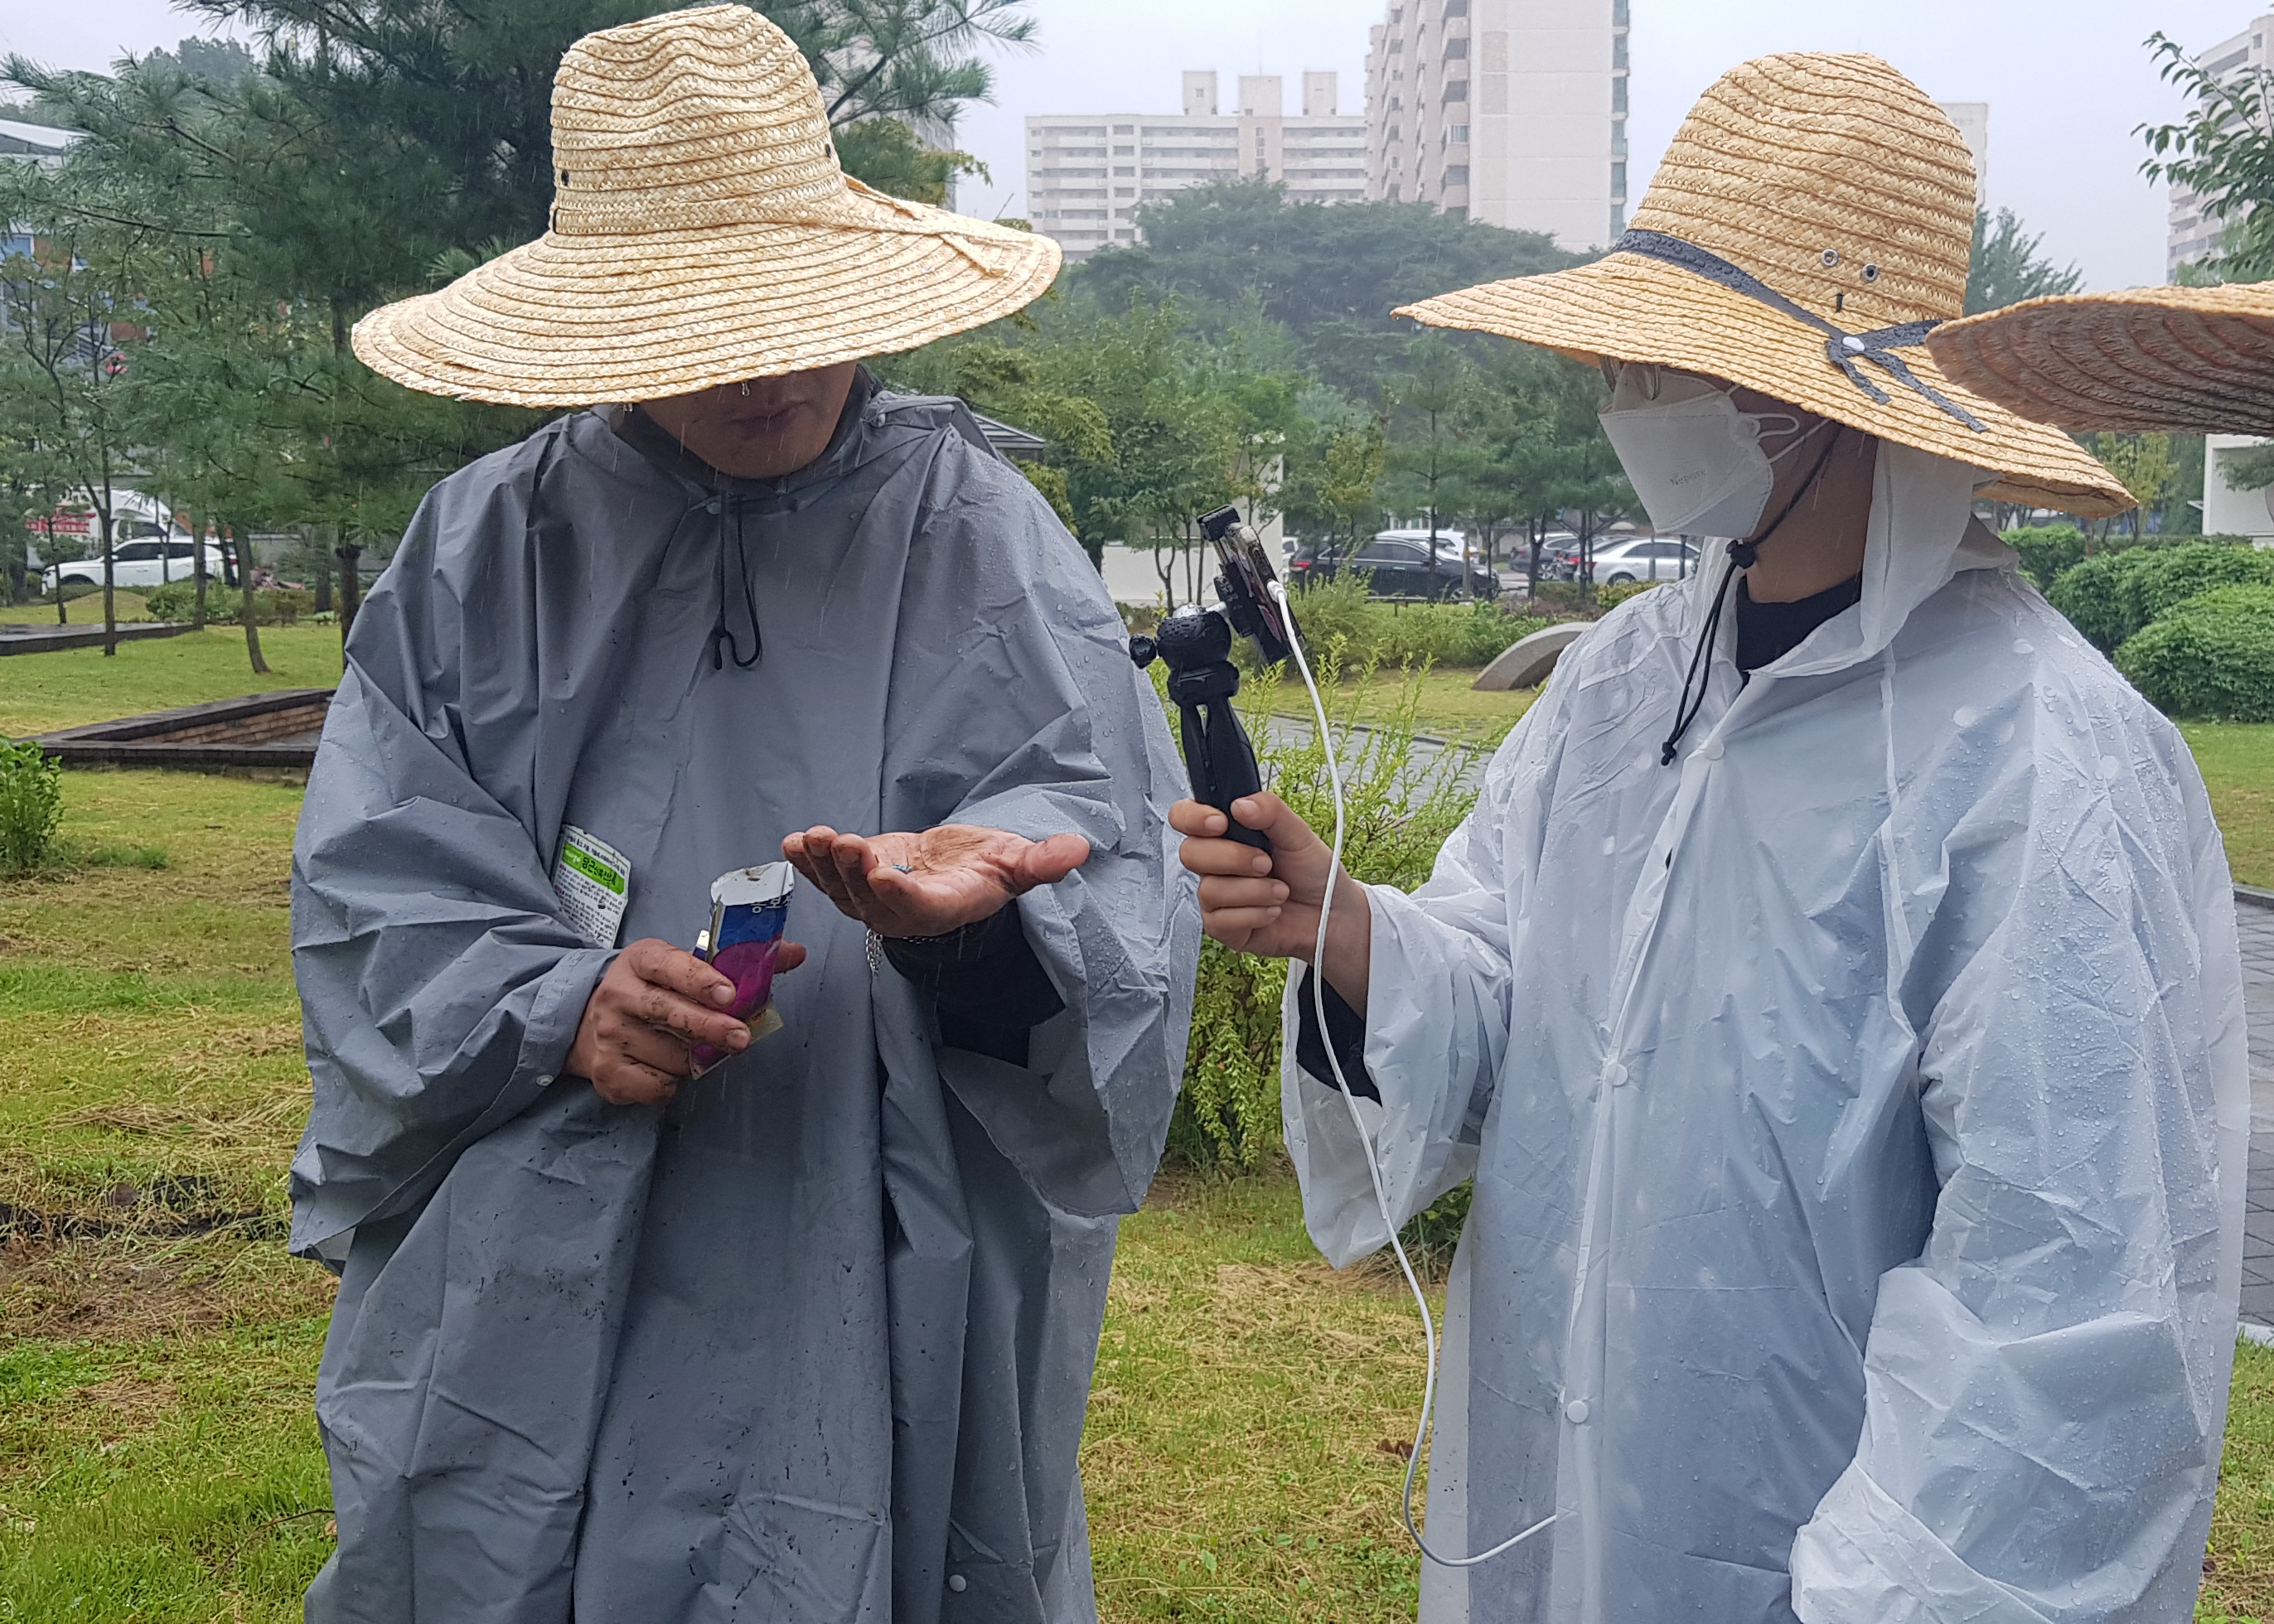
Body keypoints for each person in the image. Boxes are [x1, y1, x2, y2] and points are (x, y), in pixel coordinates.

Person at [1173, 54, 2249, 1623]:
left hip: (1821, 1546)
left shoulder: (2037, 760)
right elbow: (1513, 1005)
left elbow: (2071, 1306)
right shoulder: (1621, 681)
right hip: (1565, 1497)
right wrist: (1347, 928)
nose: (1632, 404)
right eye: (1627, 365)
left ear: (1818, 403)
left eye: (1673, 368)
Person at [289, 8, 1197, 1620]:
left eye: (790, 311)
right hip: (540, 1254)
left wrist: (972, 928)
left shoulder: (980, 536)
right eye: (704, 324)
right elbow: (376, 877)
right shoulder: (486, 551)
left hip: (879, 1226)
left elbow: (1103, 857)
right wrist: (560, 1003)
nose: (768, 367)